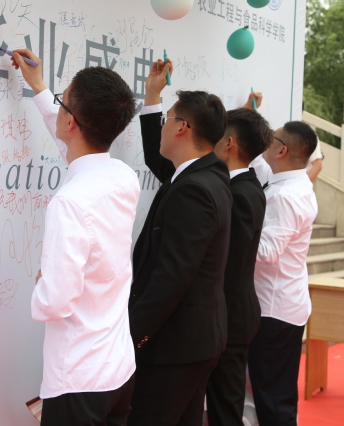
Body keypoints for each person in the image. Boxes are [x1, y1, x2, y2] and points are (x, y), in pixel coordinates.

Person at [12, 50, 140, 425]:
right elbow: (78, 150)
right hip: (118, 370)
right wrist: (40, 88)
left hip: (79, 381)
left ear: (70, 121)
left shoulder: (70, 202)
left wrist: (43, 280)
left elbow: (55, 301)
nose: (59, 107)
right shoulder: (123, 177)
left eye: (61, 101)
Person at [127, 58, 233, 425]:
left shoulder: (194, 190)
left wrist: (130, 334)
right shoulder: (204, 176)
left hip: (175, 347)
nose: (163, 126)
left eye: (167, 119)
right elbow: (157, 160)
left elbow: (171, 278)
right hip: (192, 343)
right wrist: (152, 97)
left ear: (182, 128)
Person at [247, 121, 319, 426]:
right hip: (285, 303)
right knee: (277, 394)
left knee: (273, 399)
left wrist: (227, 232)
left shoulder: (285, 195)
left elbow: (266, 252)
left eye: (272, 138)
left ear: (282, 150)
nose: (266, 141)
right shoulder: (292, 183)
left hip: (274, 309)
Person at [206, 104, 272, 425]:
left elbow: (230, 266)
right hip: (230, 315)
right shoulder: (241, 184)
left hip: (230, 317)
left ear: (229, 143)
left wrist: (213, 319)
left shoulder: (243, 192)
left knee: (225, 404)